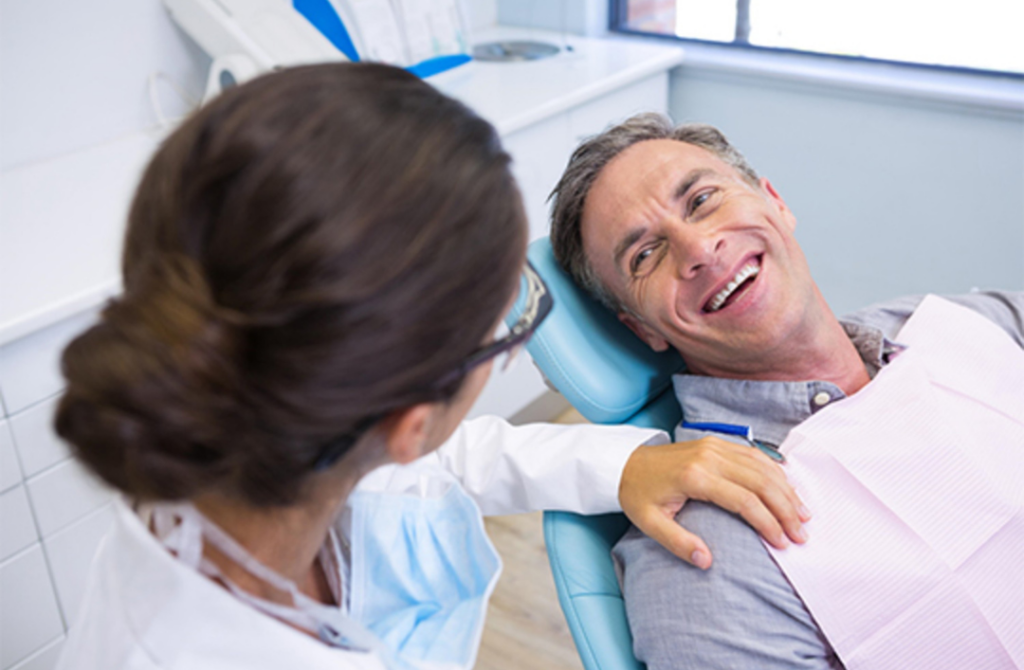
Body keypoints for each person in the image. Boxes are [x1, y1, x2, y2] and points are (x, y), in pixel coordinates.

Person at [52, 67, 809, 670]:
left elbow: (454, 462)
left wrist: (628, 464)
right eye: (510, 316)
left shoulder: (264, 456)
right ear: (408, 422)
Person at [549, 113, 1024, 670]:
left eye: (702, 200)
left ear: (775, 202)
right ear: (643, 328)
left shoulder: (951, 323)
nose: (699, 248)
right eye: (645, 256)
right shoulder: (707, 558)